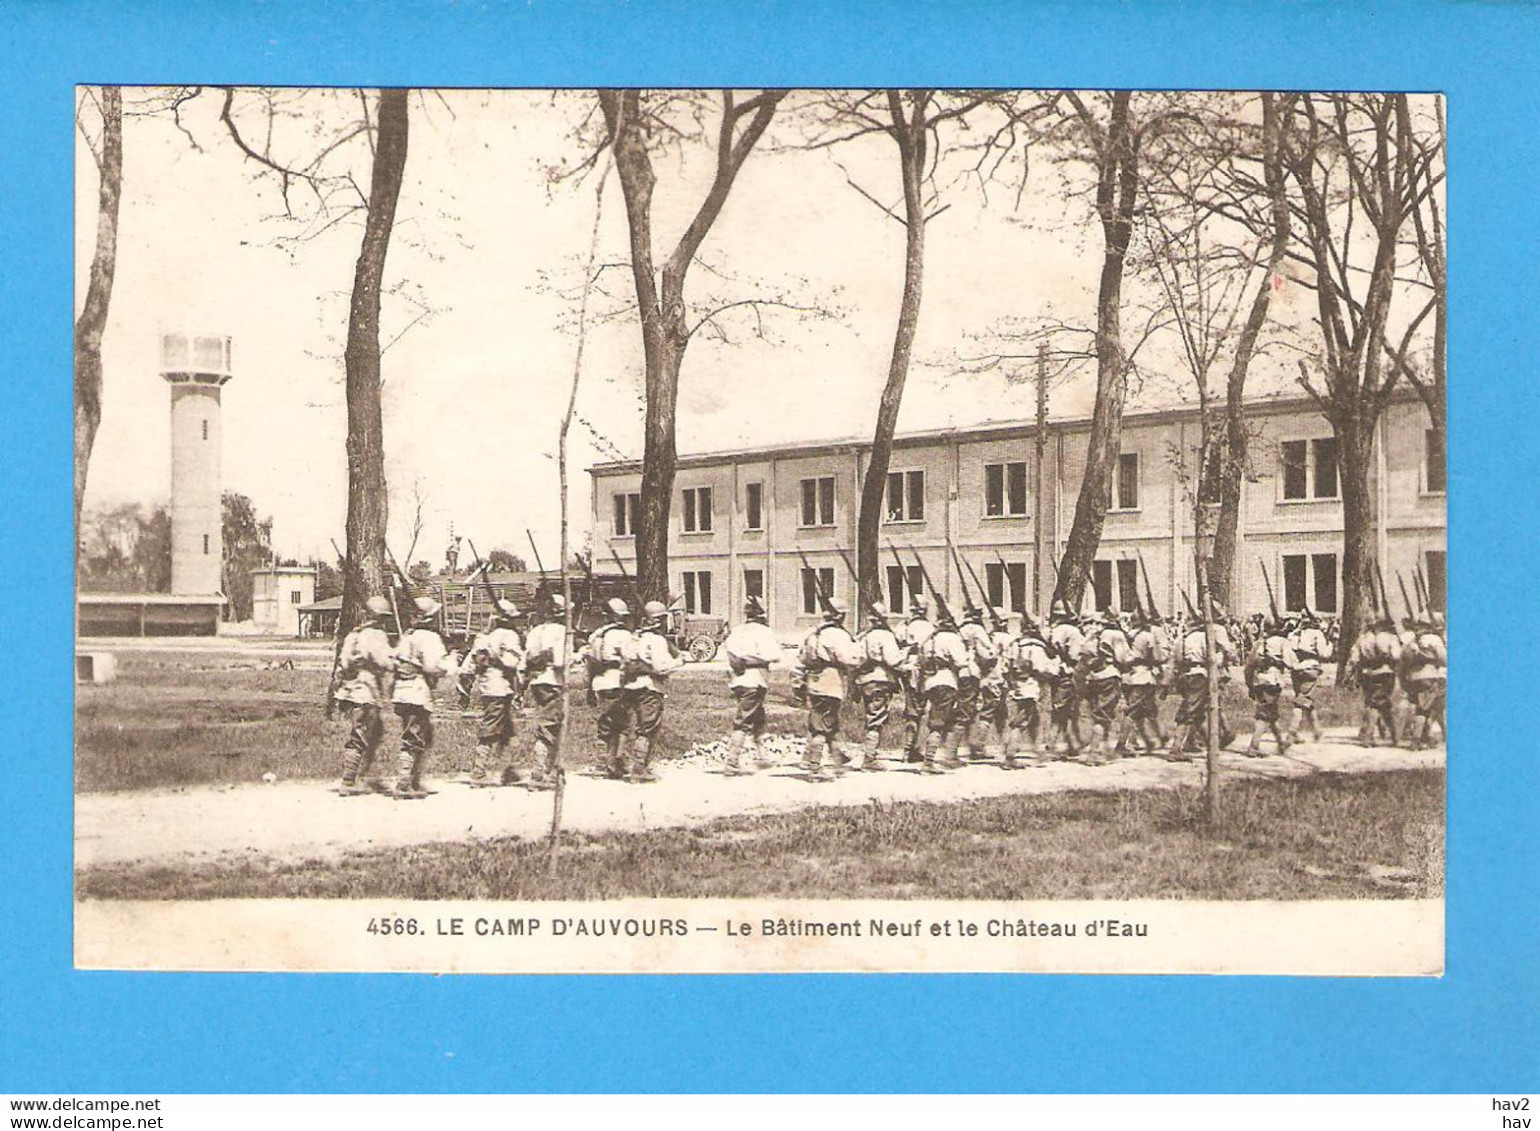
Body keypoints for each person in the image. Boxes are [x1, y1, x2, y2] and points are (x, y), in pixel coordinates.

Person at [389, 596, 449, 800]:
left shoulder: (406, 636)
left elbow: (394, 660)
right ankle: (404, 784)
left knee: (418, 735)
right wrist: (447, 666)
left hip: (401, 692)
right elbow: (433, 667)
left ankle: (413, 780)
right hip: (417, 692)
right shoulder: (429, 638)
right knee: (414, 737)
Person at [334, 595, 395, 794]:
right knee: (363, 734)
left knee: (369, 732)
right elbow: (384, 661)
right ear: (379, 616)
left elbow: (343, 663)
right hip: (367, 691)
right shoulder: (376, 636)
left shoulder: (353, 635)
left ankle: (358, 776)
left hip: (350, 689)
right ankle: (350, 780)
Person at [796, 597, 861, 780]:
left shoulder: (812, 633)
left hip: (813, 682)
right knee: (822, 726)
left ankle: (837, 764)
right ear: (839, 616)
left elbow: (801, 658)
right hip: (831, 683)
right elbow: (850, 659)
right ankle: (814, 768)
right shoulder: (838, 635)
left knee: (828, 723)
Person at [621, 600, 684, 783]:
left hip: (631, 687)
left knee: (637, 726)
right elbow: (661, 667)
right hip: (650, 687)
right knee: (648, 728)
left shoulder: (634, 638)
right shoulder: (656, 640)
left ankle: (635, 764)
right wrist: (678, 662)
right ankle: (639, 768)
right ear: (661, 620)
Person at [466, 599, 525, 786]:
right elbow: (512, 663)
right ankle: (478, 771)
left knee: (507, 730)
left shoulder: (485, 637)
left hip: (487, 687)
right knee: (491, 728)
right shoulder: (509, 636)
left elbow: (469, 665)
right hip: (501, 687)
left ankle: (510, 768)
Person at [721, 595, 780, 775]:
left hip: (738, 680)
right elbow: (775, 655)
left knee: (758, 716)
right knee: (744, 720)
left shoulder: (737, 630)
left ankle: (761, 756)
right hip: (755, 680)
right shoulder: (764, 632)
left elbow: (729, 654)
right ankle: (732, 762)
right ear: (761, 613)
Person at [1168, 610, 1236, 760]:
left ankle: (1211, 746)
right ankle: (1175, 749)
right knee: (1190, 711)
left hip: (1185, 675)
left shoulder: (1182, 638)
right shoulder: (1205, 638)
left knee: (1199, 712)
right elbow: (1212, 658)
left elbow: (1176, 659)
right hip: (1200, 676)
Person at [521, 592, 570, 789]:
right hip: (553, 681)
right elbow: (559, 662)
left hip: (537, 681)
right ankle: (540, 773)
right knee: (551, 726)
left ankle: (549, 770)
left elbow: (528, 658)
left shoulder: (535, 631)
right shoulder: (561, 631)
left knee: (548, 723)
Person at [853, 601, 906, 771]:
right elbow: (893, 660)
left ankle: (870, 755)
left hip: (864, 680)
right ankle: (869, 758)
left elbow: (856, 659)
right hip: (880, 679)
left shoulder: (863, 636)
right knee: (876, 719)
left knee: (871, 715)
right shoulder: (885, 636)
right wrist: (905, 654)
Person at [918, 605, 972, 773]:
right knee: (938, 722)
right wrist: (969, 650)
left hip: (929, 682)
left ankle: (946, 756)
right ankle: (928, 763)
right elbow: (961, 661)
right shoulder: (952, 638)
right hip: (946, 681)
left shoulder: (929, 639)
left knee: (939, 718)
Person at [585, 597, 634, 778]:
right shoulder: (624, 635)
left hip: (599, 682)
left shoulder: (596, 636)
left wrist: (589, 688)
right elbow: (630, 660)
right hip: (618, 681)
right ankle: (619, 761)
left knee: (605, 724)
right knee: (624, 724)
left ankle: (601, 762)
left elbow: (590, 664)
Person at [1002, 614, 1056, 768]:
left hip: (1015, 686)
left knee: (1021, 720)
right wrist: (1054, 666)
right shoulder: (1036, 647)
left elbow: (1005, 666)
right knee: (1019, 722)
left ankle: (1026, 752)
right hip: (1030, 687)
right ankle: (1009, 757)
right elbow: (1042, 668)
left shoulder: (1015, 644)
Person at [1348, 610, 1402, 747]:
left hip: (1367, 674)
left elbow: (1354, 659)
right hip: (1385, 673)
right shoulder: (1389, 637)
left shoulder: (1362, 639)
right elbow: (1396, 656)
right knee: (1378, 704)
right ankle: (1368, 735)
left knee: (1381, 704)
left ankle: (1395, 735)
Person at [1084, 609, 1131, 763]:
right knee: (1103, 716)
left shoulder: (1092, 634)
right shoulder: (1115, 635)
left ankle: (1096, 749)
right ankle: (1093, 754)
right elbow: (1123, 658)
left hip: (1092, 677)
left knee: (1098, 714)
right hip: (1109, 675)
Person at [1121, 605, 1169, 757]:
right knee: (1133, 711)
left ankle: (1159, 736)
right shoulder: (1147, 636)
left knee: (1148, 709)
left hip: (1128, 676)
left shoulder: (1127, 635)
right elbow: (1158, 657)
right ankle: (1121, 744)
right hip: (1143, 677)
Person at [1245, 616, 1294, 757]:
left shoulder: (1258, 643)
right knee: (1264, 714)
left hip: (1259, 680)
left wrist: (1250, 685)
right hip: (1273, 680)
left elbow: (1249, 667)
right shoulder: (1283, 642)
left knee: (1270, 713)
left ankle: (1280, 743)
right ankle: (1253, 746)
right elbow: (1289, 663)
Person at [955, 604, 997, 762]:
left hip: (959, 672)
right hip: (972, 671)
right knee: (967, 710)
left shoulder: (959, 628)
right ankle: (955, 752)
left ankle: (974, 746)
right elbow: (988, 652)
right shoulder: (977, 629)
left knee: (968, 709)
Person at [896, 594, 935, 763]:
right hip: (923, 670)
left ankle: (908, 750)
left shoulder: (903, 626)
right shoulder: (930, 627)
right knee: (921, 710)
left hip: (907, 669)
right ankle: (911, 749)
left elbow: (897, 643)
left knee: (912, 710)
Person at [1046, 600, 1087, 757]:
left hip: (1055, 673)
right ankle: (1051, 745)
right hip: (1069, 673)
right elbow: (1074, 655)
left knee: (1061, 709)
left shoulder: (1052, 630)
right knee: (1065, 709)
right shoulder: (1072, 631)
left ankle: (1070, 745)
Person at [1401, 613, 1447, 749]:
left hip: (1413, 677)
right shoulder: (1433, 639)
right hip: (1429, 676)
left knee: (1423, 707)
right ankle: (1416, 741)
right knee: (1424, 710)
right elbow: (1444, 658)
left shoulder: (1412, 640)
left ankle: (1426, 738)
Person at [1287, 609, 1329, 743]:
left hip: (1296, 670)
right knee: (1301, 701)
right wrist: (1331, 645)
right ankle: (1291, 733)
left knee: (1305, 699)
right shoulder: (1317, 634)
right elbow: (1324, 654)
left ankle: (1318, 731)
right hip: (1311, 668)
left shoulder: (1293, 634)